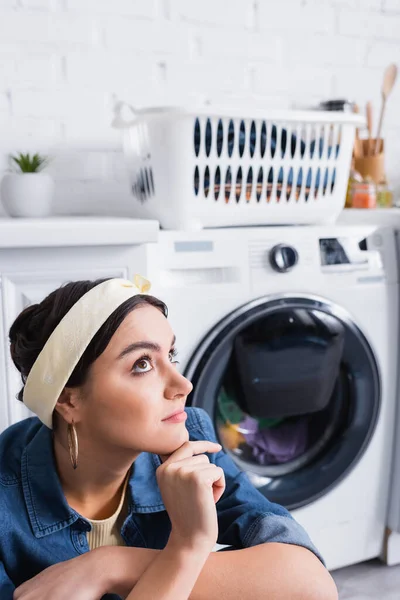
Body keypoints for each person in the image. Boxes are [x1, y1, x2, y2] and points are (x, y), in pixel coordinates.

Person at [0, 276, 338, 600]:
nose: (184, 385)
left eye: (171, 355)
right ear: (68, 401)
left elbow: (311, 585)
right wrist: (185, 549)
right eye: (142, 364)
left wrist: (110, 566)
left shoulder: (191, 438)